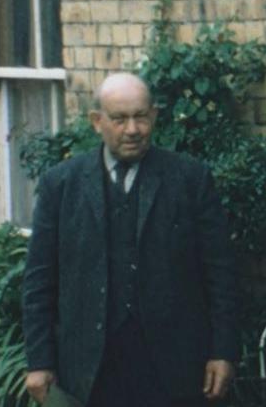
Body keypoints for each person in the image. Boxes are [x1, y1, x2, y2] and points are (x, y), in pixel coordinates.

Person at [22, 72, 238, 406]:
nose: (133, 130)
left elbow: (221, 273)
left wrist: (222, 351)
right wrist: (39, 361)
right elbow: (39, 280)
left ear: (153, 115)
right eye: (119, 119)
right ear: (97, 121)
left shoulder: (190, 179)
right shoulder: (61, 185)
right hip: (90, 367)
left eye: (141, 117)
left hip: (173, 366)